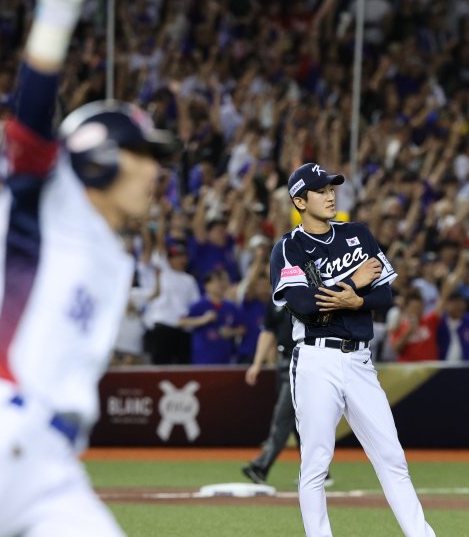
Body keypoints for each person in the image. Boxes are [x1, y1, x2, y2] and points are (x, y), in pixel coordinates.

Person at [0, 0, 178, 536]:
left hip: (52, 464)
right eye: (142, 155)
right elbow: (28, 130)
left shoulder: (111, 252)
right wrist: (56, 18)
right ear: (97, 157)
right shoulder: (46, 203)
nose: (154, 172)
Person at [269, 162, 435, 537]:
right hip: (316, 358)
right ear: (299, 200)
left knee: (392, 457)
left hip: (360, 359)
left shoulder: (358, 234)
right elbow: (304, 304)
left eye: (332, 188)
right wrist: (354, 281)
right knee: (316, 463)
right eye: (320, 190)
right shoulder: (289, 248)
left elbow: (385, 295)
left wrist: (354, 299)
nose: (330, 194)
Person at [241, 297, 334, 487]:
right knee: (296, 422)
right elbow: (268, 331)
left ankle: (261, 466)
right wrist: (257, 364)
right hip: (283, 363)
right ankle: (319, 470)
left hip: (304, 362)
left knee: (283, 416)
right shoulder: (276, 299)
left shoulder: (307, 292)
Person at [179, 268, 244, 364]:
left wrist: (231, 332)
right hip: (203, 357)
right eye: (216, 281)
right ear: (207, 285)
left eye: (222, 281)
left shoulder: (230, 306)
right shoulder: (199, 305)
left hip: (225, 357)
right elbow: (181, 322)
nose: (220, 285)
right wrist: (203, 320)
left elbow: (243, 328)